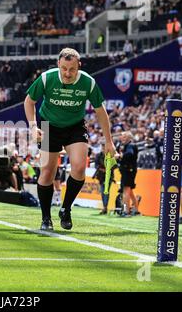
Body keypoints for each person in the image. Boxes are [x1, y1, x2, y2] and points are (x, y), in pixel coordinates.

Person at [24, 48, 116, 231]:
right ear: (58, 64)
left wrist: (109, 141)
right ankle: (46, 218)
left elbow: (100, 111)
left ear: (78, 67)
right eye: (64, 68)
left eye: (72, 69)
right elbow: (29, 101)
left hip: (75, 126)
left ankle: (65, 209)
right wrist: (33, 125)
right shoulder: (46, 78)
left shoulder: (88, 82)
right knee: (48, 172)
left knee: (80, 167)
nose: (67, 73)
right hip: (48, 125)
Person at [118, 131, 139, 216]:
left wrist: (120, 156)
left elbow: (130, 154)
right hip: (128, 170)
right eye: (122, 136)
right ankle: (136, 209)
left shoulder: (130, 145)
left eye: (124, 137)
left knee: (126, 190)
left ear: (129, 138)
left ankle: (126, 211)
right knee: (129, 191)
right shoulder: (126, 146)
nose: (122, 138)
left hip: (128, 170)